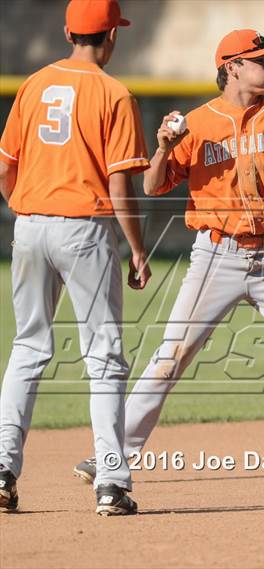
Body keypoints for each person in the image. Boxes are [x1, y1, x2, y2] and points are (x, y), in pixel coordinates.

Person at [74, 29, 264, 487]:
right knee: (170, 358)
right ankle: (111, 456)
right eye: (261, 60)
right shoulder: (198, 123)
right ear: (232, 67)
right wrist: (164, 148)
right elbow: (153, 187)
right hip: (216, 257)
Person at [0, 0, 151, 516]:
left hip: (29, 225)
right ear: (113, 36)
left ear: (68, 33)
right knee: (104, 357)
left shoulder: (33, 84)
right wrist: (136, 247)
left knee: (28, 347)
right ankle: (111, 483)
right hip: (84, 229)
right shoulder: (115, 93)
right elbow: (120, 184)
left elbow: (6, 167)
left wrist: (26, 213)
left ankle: (2, 471)